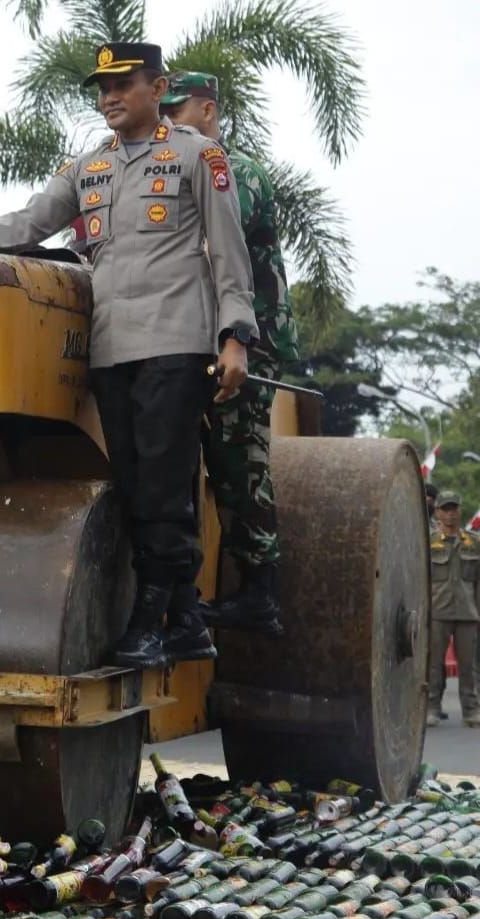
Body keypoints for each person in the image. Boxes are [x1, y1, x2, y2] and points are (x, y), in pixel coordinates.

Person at [0, 41, 257, 669]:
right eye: (102, 88)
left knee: (160, 484)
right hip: (112, 348)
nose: (109, 97)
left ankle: (151, 619)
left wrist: (235, 336)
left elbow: (229, 252)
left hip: (177, 344)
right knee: (131, 483)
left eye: (123, 84)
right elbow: (30, 220)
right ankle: (185, 621)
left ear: (158, 89)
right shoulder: (88, 168)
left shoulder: (198, 156)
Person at [159, 71, 299, 637]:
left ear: (208, 110)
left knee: (240, 462)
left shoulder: (234, 170)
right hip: (197, 336)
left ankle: (260, 593)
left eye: (177, 109)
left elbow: (214, 244)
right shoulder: (181, 168)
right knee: (197, 461)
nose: (167, 120)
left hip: (248, 338)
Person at [428, 492, 480, 728]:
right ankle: (432, 708)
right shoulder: (428, 542)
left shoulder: (474, 542)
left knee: (469, 665)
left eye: (454, 509)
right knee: (433, 663)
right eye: (445, 509)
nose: (450, 513)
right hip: (438, 612)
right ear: (437, 512)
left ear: (460, 511)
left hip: (467, 612)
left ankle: (471, 710)